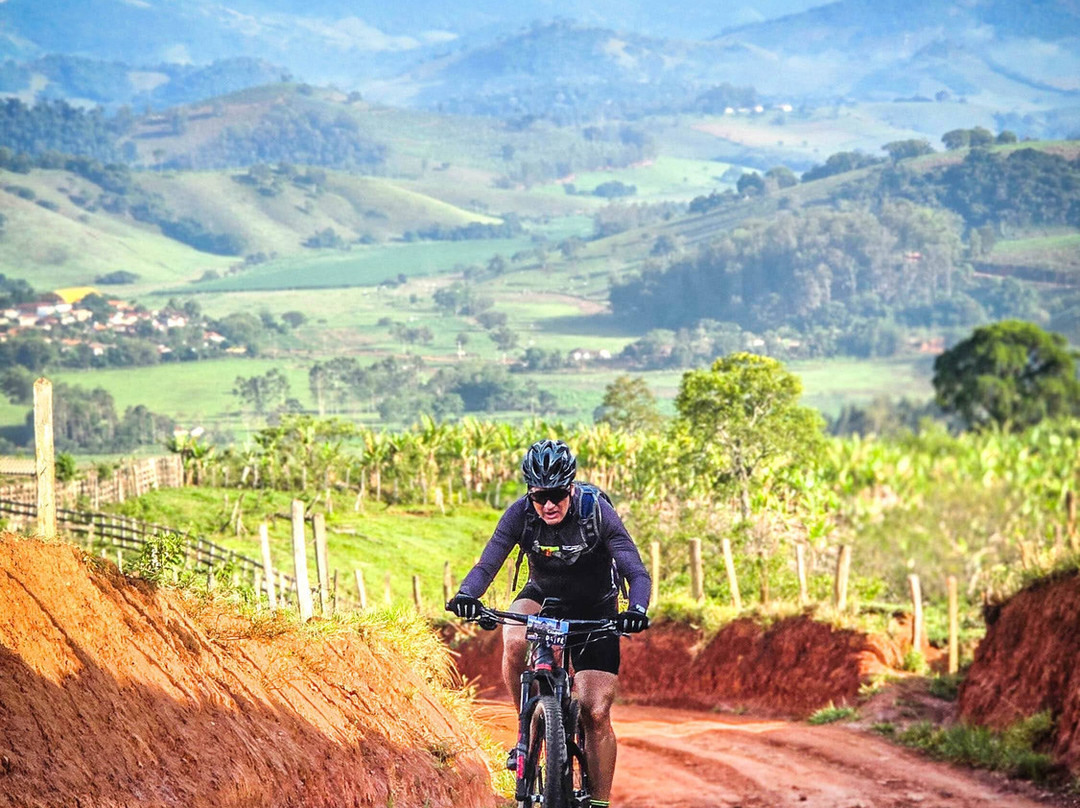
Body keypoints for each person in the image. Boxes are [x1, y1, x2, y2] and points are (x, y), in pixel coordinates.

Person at [447, 439, 651, 808]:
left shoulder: (597, 513)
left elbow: (635, 570)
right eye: (541, 497)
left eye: (557, 495)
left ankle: (600, 804)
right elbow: (488, 563)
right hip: (543, 595)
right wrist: (467, 596)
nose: (549, 505)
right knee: (513, 638)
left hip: (596, 607)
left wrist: (635, 608)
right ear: (531, 493)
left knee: (596, 711)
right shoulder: (520, 514)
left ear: (571, 487)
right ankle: (525, 729)